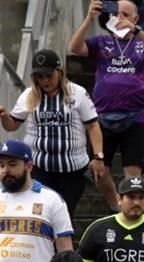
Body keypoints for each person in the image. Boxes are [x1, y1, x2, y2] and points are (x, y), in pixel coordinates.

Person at [68, 0, 144, 208]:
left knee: (133, 171)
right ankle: (118, 206)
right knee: (99, 168)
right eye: (116, 14)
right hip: (103, 115)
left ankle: (133, 206)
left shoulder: (142, 42)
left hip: (136, 115)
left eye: (125, 14)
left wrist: (137, 30)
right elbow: (74, 47)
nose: (119, 18)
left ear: (135, 18)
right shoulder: (102, 42)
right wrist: (89, 19)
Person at [0, 49, 105, 217]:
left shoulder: (77, 93)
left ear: (59, 72)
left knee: (64, 213)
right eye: (40, 77)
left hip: (73, 168)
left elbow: (93, 126)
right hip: (40, 167)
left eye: (49, 75)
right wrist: (5, 117)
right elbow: (12, 125)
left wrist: (98, 157)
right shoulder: (29, 95)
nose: (45, 80)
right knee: (40, 213)